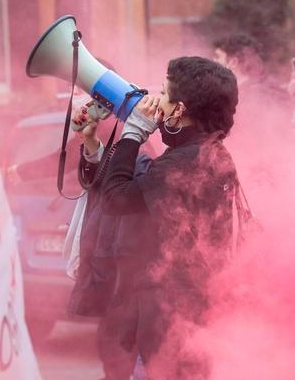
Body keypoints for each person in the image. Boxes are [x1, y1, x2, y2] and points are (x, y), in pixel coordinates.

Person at [75, 56, 240, 380]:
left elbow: (118, 198)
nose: (156, 101)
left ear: (179, 110)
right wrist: (93, 144)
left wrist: (133, 131)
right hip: (182, 321)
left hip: (166, 324)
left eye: (163, 94)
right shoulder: (208, 153)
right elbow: (140, 183)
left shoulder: (183, 162)